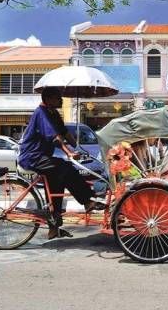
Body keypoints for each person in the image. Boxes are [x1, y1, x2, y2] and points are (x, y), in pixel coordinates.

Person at [18, 87, 103, 239]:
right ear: (49, 99)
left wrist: (79, 148)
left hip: (43, 156)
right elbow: (56, 138)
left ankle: (53, 228)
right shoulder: (41, 113)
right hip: (32, 156)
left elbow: (64, 133)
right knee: (65, 167)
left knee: (56, 188)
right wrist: (69, 153)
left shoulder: (53, 113)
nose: (61, 100)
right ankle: (86, 201)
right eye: (58, 98)